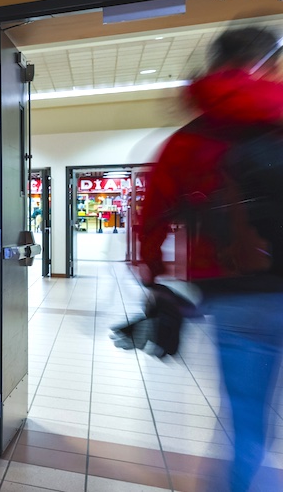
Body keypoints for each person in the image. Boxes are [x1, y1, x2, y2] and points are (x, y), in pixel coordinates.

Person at [137, 25, 283, 492]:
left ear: (216, 65)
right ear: (271, 64)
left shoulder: (188, 139)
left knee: (245, 420)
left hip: (234, 290)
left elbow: (151, 217)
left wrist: (153, 278)